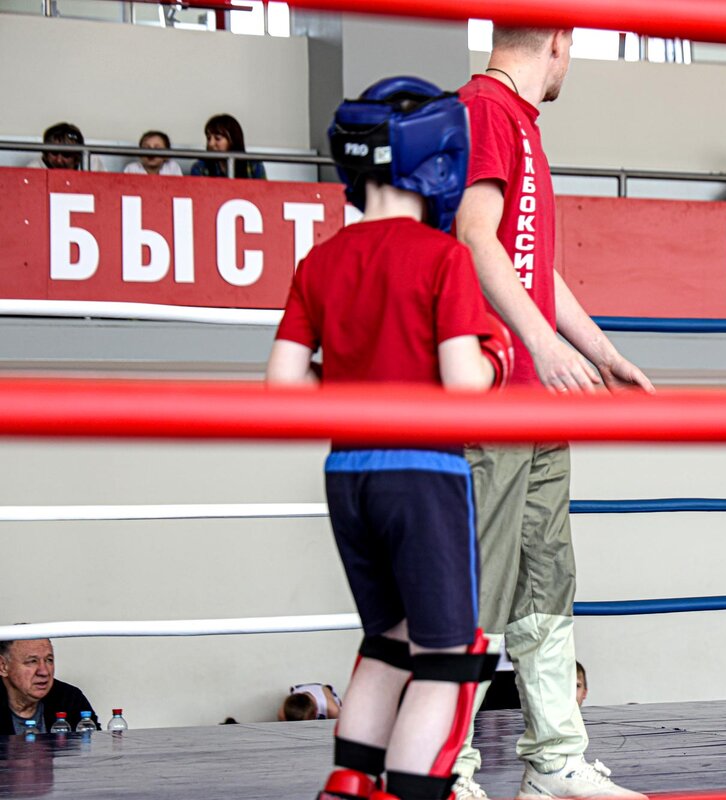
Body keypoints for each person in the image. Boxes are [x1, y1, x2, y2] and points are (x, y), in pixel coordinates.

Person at [266, 75, 512, 800]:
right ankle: (412, 792)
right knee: (450, 653)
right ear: (441, 160)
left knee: (389, 638)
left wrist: (352, 383)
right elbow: (464, 383)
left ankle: (349, 779)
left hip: (347, 473)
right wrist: (497, 360)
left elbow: (283, 386)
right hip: (424, 472)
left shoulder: (321, 260)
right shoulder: (443, 259)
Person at [452, 27, 652, 800]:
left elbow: (531, 261)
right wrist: (543, 343)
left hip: (535, 400)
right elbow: (475, 236)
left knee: (546, 583)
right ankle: (448, 771)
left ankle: (554, 760)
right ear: (560, 43)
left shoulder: (520, 122)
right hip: (491, 395)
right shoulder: (485, 110)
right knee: (477, 593)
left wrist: (599, 350)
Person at [0, 638, 95, 734]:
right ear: (3, 666)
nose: (44, 672)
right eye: (32, 661)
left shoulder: (70, 698)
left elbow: (95, 744)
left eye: (49, 660)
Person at [189, 114, 265, 179]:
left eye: (217, 138)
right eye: (209, 138)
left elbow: (264, 193)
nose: (211, 143)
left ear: (232, 140)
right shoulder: (200, 167)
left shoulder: (253, 165)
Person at [25, 122, 104, 172]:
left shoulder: (91, 163)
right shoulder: (34, 169)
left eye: (66, 154)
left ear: (78, 157)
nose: (59, 160)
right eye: (54, 153)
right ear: (45, 154)